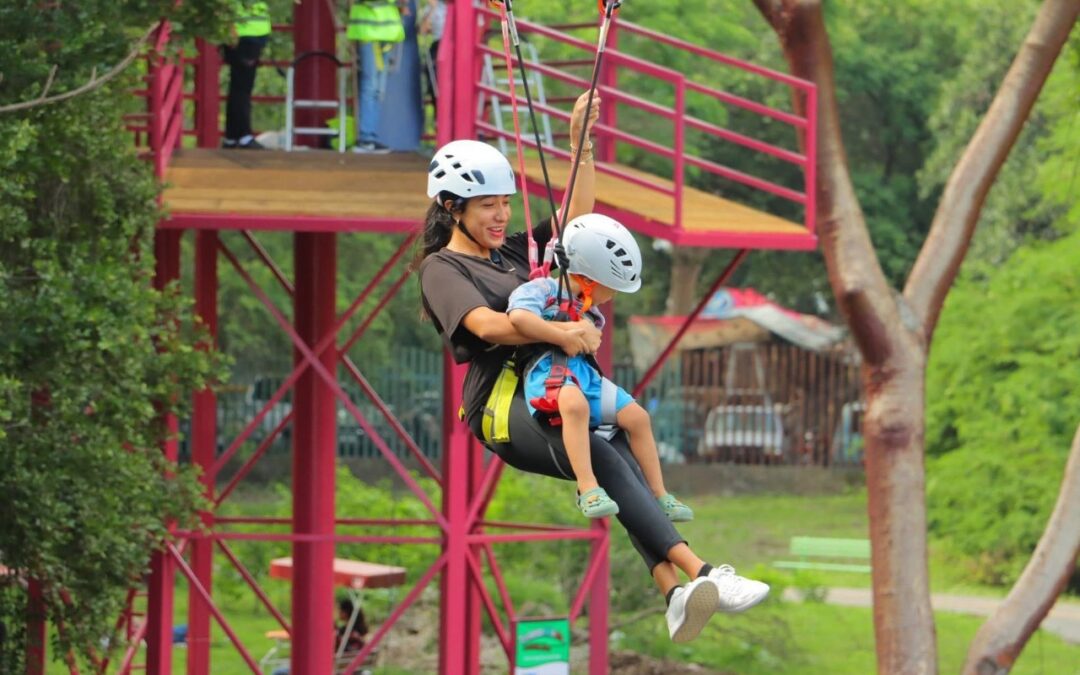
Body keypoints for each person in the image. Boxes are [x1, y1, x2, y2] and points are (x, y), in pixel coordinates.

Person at [416, 95, 770, 643]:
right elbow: (488, 326)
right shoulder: (443, 268)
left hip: (559, 387)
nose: (502, 216)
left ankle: (673, 593)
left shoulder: (513, 253)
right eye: (487, 205)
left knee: (622, 456)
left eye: (506, 203)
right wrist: (562, 332)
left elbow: (574, 220)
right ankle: (705, 573)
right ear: (451, 206)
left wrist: (582, 140)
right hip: (503, 409)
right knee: (604, 453)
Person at [506, 213, 694, 522]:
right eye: (612, 287)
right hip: (549, 372)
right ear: (591, 279)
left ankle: (660, 493)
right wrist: (562, 334)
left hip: (585, 376)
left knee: (637, 417)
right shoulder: (542, 290)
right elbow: (519, 318)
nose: (613, 296)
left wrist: (577, 328)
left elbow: (591, 343)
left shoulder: (590, 311)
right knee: (574, 405)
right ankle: (587, 487)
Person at [347, 0, 408, 154]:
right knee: (371, 87)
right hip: (370, 34)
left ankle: (370, 136)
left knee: (377, 90)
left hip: (384, 34)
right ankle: (366, 137)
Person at [222, 1, 271, 149]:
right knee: (242, 89)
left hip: (249, 35)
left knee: (238, 88)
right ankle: (244, 136)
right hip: (244, 36)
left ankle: (232, 136)